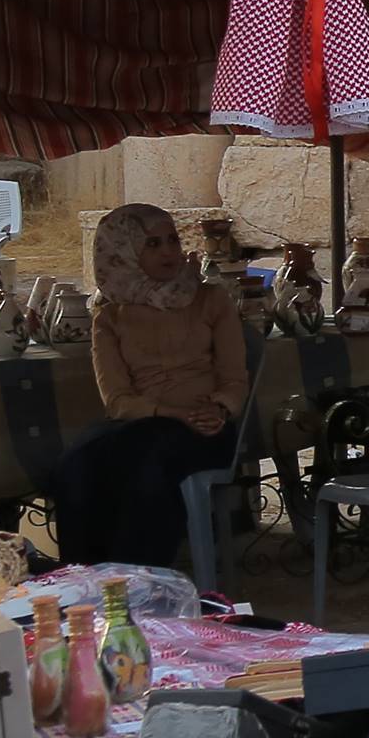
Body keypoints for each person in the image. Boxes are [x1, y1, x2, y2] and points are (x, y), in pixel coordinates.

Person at [51, 205, 246, 570]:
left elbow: (234, 378)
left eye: (172, 240)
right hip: (141, 422)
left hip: (205, 427)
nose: (169, 251)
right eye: (153, 244)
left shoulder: (210, 299)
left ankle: (139, 580)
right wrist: (172, 413)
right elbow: (116, 400)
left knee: (149, 462)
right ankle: (84, 579)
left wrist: (218, 408)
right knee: (76, 463)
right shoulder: (110, 314)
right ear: (123, 253)